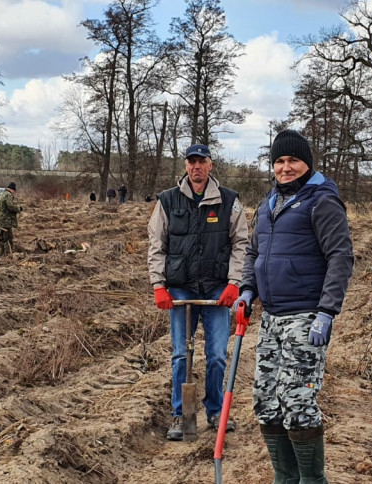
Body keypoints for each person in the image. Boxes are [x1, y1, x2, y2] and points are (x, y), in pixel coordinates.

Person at [235, 129, 355, 483]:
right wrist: (246, 290)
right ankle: (284, 478)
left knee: (298, 403)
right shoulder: (269, 203)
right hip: (271, 317)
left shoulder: (322, 201)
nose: (285, 168)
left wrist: (327, 311)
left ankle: (312, 481)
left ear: (307, 164)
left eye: (293, 161)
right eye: (279, 161)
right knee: (266, 401)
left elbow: (340, 256)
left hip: (306, 317)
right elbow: (254, 252)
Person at [147, 143, 249, 442]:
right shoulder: (167, 200)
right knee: (181, 355)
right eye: (191, 162)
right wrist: (159, 285)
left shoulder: (229, 200)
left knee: (216, 355)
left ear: (210, 165)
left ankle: (216, 410)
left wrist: (234, 283)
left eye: (201, 162)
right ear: (186, 166)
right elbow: (157, 245)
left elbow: (242, 243)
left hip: (217, 289)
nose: (196, 167)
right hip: (181, 288)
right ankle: (180, 414)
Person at [0, 182, 22, 257]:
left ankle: (0, 255)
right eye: (14, 191)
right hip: (5, 222)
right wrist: (18, 209)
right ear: (12, 190)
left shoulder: (0, 194)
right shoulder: (8, 195)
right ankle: (7, 256)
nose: (14, 193)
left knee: (1, 239)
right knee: (8, 239)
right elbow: (10, 206)